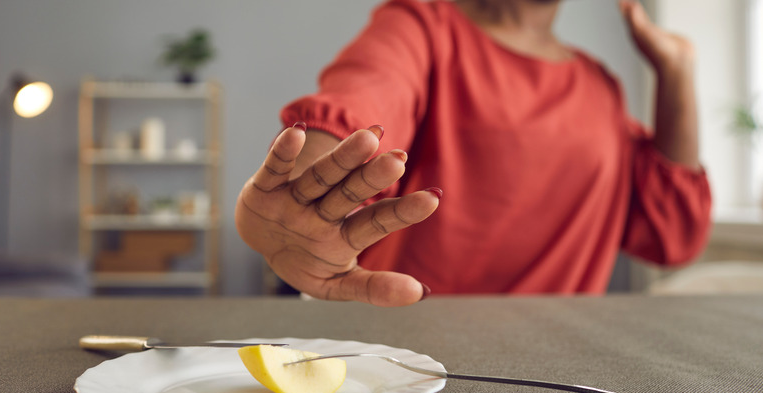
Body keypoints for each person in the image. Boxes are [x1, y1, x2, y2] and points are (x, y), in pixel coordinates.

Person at [235, 0, 711, 306]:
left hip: (559, 369)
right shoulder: (422, 25)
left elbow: (672, 236)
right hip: (411, 356)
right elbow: (362, 101)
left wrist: (678, 72)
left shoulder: (601, 87)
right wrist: (302, 194)